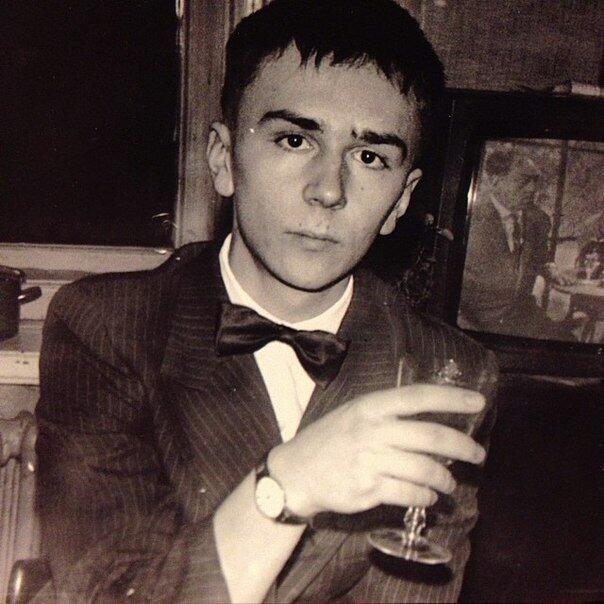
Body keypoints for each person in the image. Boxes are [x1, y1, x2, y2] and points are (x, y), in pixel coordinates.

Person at [35, 1, 497, 602]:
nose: (328, 190)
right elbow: (106, 591)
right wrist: (284, 486)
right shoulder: (106, 328)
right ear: (223, 159)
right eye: (295, 139)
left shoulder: (450, 374)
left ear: (402, 200)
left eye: (369, 157)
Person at [459, 150, 573, 340]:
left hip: (523, 316)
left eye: (535, 181)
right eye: (524, 180)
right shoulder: (469, 217)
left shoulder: (538, 219)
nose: (532, 189)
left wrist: (551, 269)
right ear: (494, 180)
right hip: (475, 322)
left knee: (568, 341)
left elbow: (541, 256)